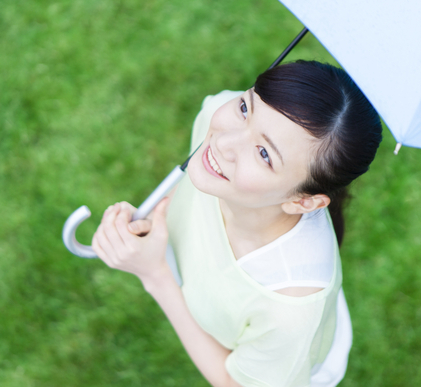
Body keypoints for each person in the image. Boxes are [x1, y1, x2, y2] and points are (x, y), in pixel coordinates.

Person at [91, 60, 383, 387]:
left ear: (303, 201)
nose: (223, 141)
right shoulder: (219, 111)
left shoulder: (291, 310)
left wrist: (154, 274)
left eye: (263, 154)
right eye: (246, 108)